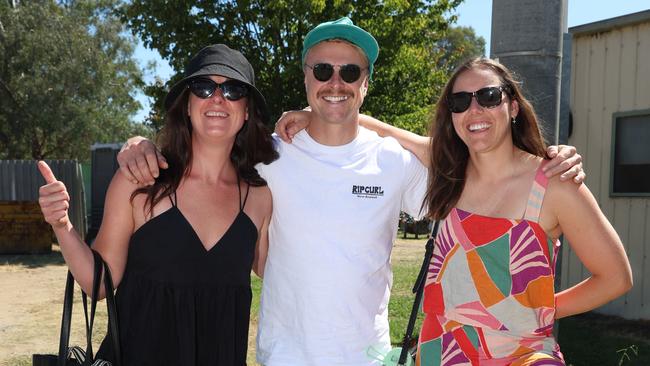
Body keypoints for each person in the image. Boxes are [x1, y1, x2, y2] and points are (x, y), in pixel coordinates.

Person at [117, 19, 585, 366]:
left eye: (349, 73)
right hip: (283, 355)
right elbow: (201, 148)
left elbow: (472, 172)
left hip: (368, 356)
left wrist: (538, 162)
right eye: (323, 71)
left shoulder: (394, 162)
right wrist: (140, 146)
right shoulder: (268, 156)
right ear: (306, 78)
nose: (335, 82)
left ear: (366, 83)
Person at [280, 57, 633, 365]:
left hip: (521, 355)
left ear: (512, 107)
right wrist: (312, 115)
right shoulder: (449, 168)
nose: (474, 110)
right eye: (460, 101)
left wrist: (539, 308)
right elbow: (382, 128)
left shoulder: (555, 182)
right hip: (439, 352)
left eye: (489, 97)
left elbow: (616, 278)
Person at [37, 44, 278, 365]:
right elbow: (99, 284)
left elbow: (275, 271)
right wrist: (61, 225)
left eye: (233, 90)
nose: (218, 98)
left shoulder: (259, 197)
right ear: (188, 106)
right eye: (204, 87)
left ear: (246, 111)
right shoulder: (140, 181)